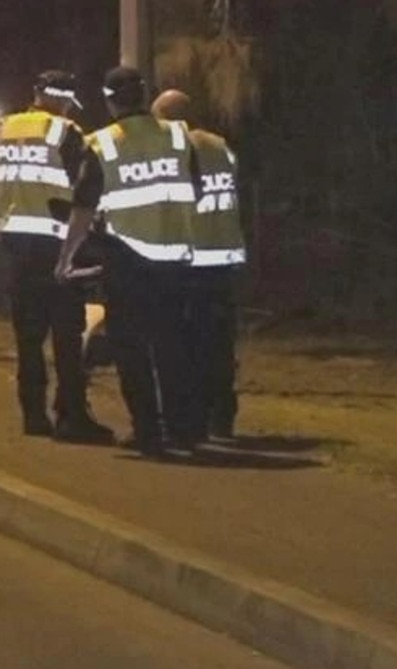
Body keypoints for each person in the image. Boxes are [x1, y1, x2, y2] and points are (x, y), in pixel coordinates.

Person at [56, 66, 201, 457]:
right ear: (143, 95)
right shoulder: (177, 134)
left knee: (132, 350)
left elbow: (83, 207)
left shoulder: (104, 143)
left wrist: (67, 258)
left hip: (128, 260)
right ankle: (183, 430)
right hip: (176, 258)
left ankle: (149, 433)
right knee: (173, 347)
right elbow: (196, 188)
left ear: (109, 99)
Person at [0, 70, 114, 442]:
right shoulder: (66, 131)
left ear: (36, 92)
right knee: (67, 334)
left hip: (14, 246)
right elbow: (85, 191)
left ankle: (33, 415)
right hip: (59, 247)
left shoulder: (4, 128)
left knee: (28, 337)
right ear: (64, 100)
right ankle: (71, 416)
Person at [151, 88, 246, 440]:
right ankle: (221, 419)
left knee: (182, 346)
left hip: (185, 261)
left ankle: (188, 421)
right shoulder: (220, 146)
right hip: (222, 260)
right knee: (219, 345)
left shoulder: (171, 150)